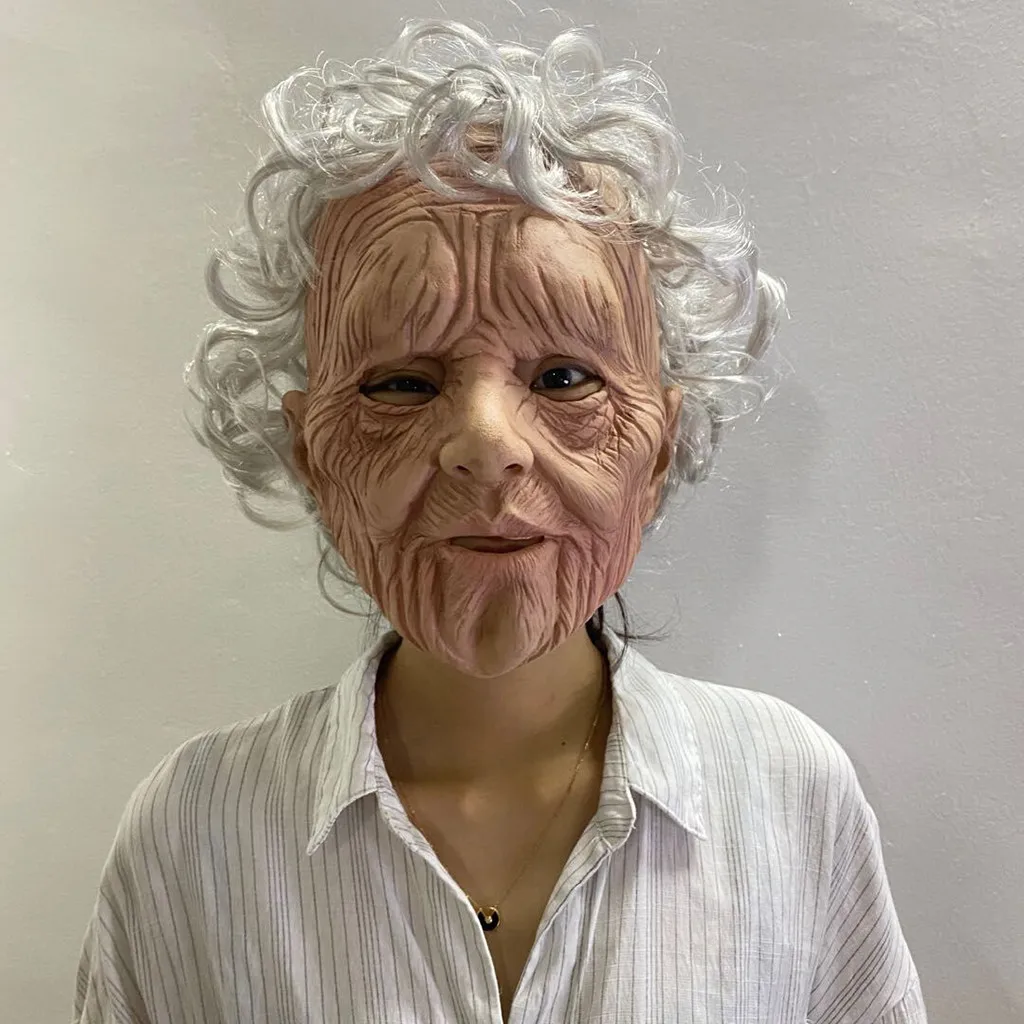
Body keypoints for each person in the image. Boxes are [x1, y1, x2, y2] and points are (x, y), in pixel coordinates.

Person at [74, 18, 927, 1024]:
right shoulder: (195, 833)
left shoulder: (787, 797)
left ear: (659, 447)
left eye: (565, 378)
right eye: (399, 383)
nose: (486, 444)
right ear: (311, 453)